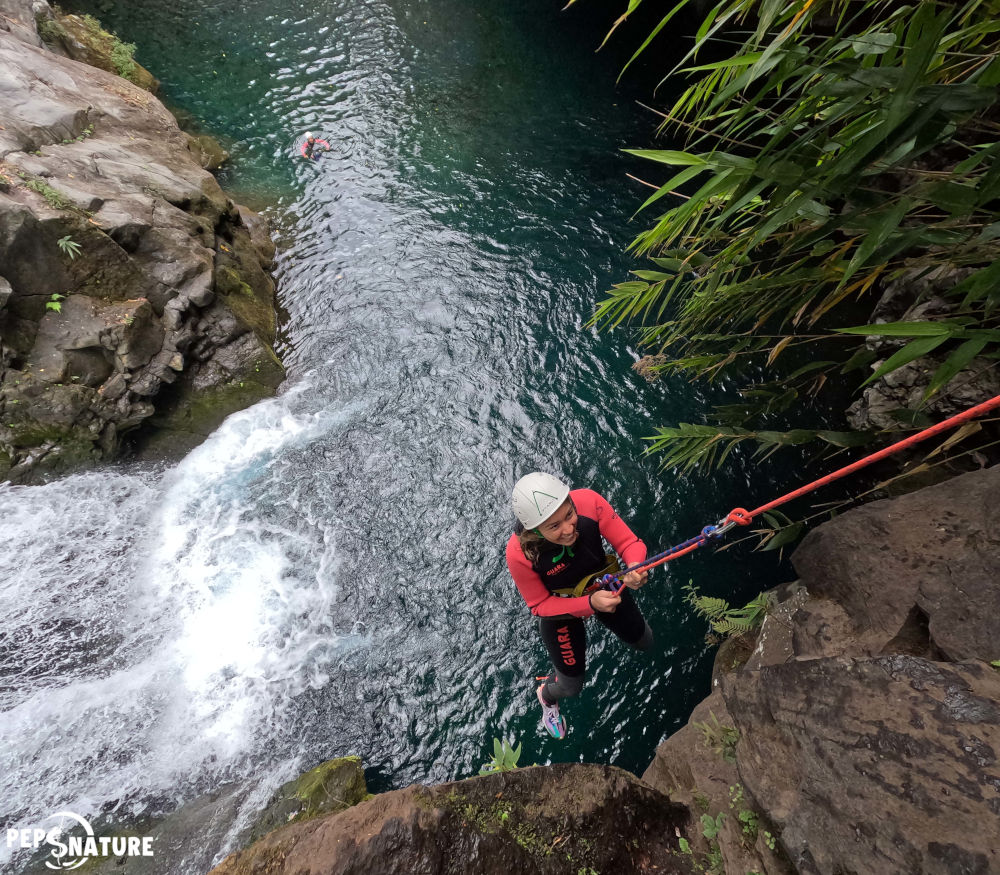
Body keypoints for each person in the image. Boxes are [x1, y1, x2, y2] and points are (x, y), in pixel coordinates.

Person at [505, 472, 652, 739]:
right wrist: (589, 604)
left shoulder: (589, 502)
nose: (569, 529)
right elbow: (539, 605)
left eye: (569, 514)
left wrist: (635, 567)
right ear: (534, 530)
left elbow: (629, 543)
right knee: (571, 686)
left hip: (600, 585)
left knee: (643, 640)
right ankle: (546, 696)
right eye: (554, 527)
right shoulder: (519, 553)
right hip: (562, 608)